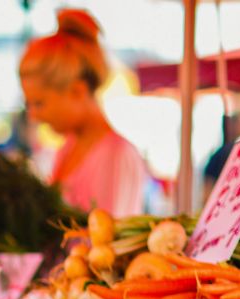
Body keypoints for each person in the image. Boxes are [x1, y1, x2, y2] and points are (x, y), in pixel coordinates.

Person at [19, 9, 146, 216]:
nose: (33, 116)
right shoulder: (67, 147)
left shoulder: (117, 154)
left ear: (77, 91)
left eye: (39, 103)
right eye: (29, 105)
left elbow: (106, 243)